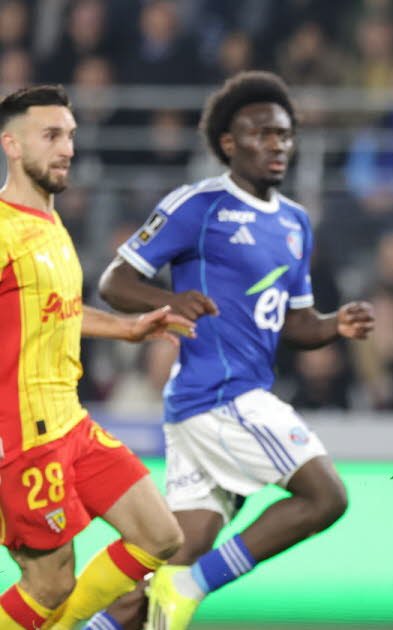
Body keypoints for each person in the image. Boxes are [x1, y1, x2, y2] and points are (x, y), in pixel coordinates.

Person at [92, 71, 374, 630]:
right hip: (221, 395)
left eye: (284, 135)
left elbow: (294, 323)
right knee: (326, 497)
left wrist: (333, 326)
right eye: (262, 134)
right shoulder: (198, 206)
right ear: (228, 142)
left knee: (173, 556)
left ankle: (133, 608)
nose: (277, 145)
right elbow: (114, 281)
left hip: (214, 404)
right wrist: (170, 301)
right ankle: (193, 586)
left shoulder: (295, 223)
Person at [0, 85, 195, 629]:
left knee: (159, 536)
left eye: (70, 136)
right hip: (22, 435)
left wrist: (127, 329)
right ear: (12, 145)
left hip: (71, 422)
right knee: (50, 583)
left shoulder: (48, 222)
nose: (67, 148)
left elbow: (56, 309)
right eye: (51, 136)